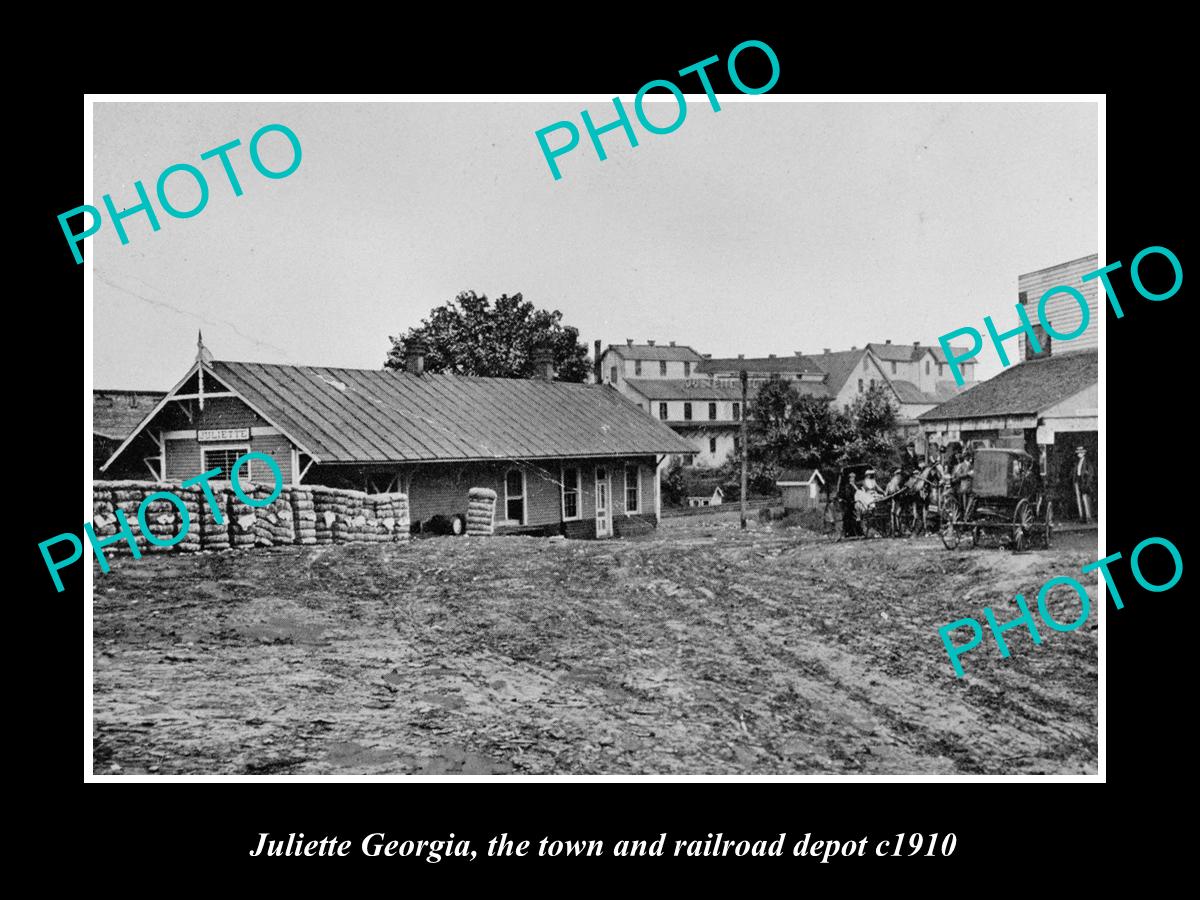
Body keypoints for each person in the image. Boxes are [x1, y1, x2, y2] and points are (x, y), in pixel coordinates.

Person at [1072, 445, 1095, 523]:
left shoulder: (1088, 462)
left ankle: (1088, 518)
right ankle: (1081, 517)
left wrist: (1088, 483)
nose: (1079, 454)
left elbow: (1091, 474)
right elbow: (1075, 472)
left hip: (1084, 482)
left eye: (1080, 452)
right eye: (1078, 453)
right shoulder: (1077, 462)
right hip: (1077, 481)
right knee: (1078, 500)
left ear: (1084, 453)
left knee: (1085, 500)